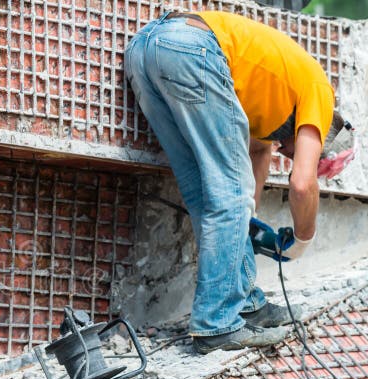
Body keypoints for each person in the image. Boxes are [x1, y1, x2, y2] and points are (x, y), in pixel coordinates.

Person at [124, 11, 354, 354]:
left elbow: (256, 156)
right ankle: (217, 324)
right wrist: (302, 241)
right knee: (227, 196)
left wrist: (244, 221)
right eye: (308, 150)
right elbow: (303, 185)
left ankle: (246, 303)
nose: (290, 155)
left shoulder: (270, 102)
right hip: (191, 50)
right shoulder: (319, 96)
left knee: (207, 195)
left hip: (145, 52)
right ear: (324, 135)